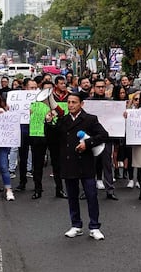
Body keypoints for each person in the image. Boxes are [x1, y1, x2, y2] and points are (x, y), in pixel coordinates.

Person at [45, 92, 108, 240]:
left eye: (74, 102)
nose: (71, 105)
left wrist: (86, 143)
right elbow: (52, 139)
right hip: (68, 163)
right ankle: (76, 225)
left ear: (81, 104)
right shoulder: (63, 120)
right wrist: (48, 122)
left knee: (91, 196)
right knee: (72, 197)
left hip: (86, 163)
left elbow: (103, 135)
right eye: (69, 102)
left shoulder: (90, 119)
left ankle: (94, 226)